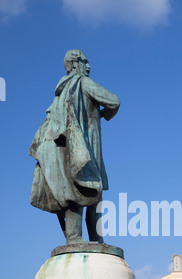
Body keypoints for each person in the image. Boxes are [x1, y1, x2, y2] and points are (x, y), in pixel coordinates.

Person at [29, 49, 120, 244]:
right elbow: (114, 101)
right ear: (75, 63)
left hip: (63, 150)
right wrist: (103, 114)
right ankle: (92, 238)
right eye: (85, 62)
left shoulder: (60, 93)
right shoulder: (83, 83)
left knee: (74, 191)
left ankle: (75, 237)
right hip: (86, 148)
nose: (88, 67)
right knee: (89, 192)